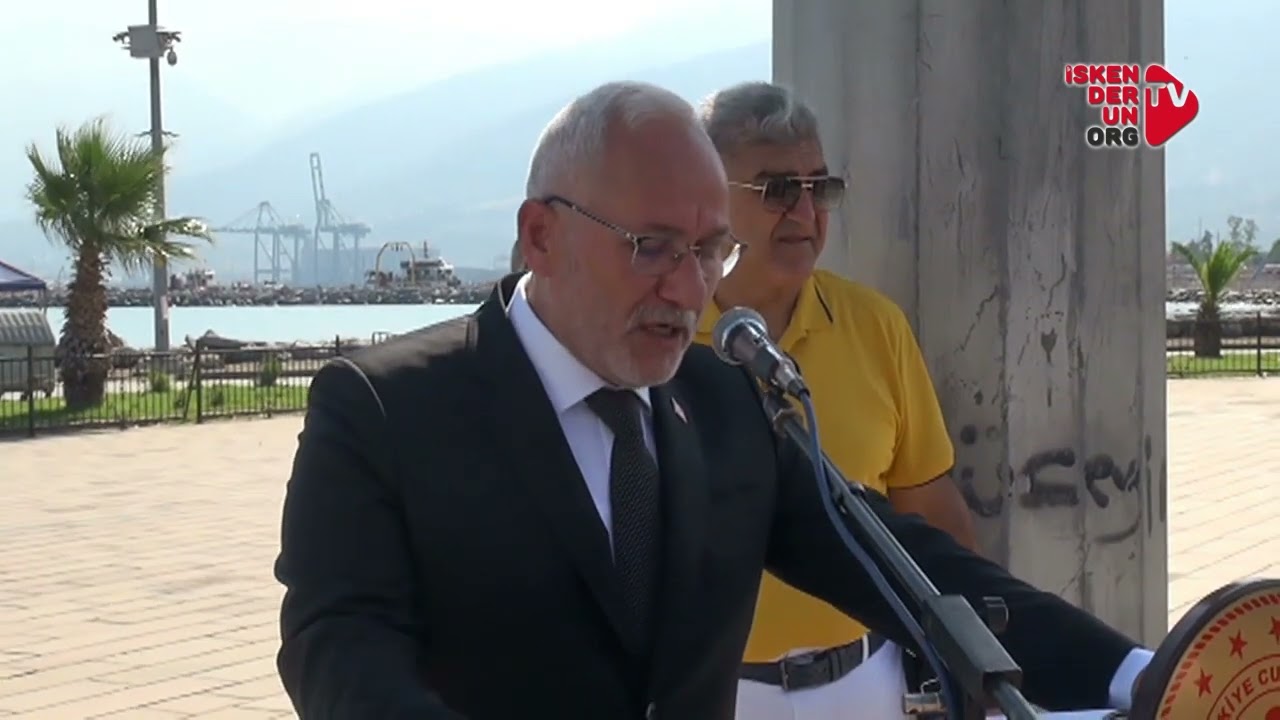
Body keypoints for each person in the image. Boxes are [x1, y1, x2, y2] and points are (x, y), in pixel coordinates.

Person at [274, 80, 1153, 720]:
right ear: (540, 235)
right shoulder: (382, 410)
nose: (689, 288)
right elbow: (337, 649)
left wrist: (1136, 675)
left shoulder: (729, 406)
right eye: (651, 247)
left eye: (710, 252)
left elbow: (908, 568)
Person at [695, 82, 978, 719]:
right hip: (713, 694)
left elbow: (932, 509)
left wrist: (978, 663)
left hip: (867, 682)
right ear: (707, 198)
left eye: (819, 187)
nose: (805, 211)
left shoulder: (875, 325)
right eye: (776, 189)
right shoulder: (663, 338)